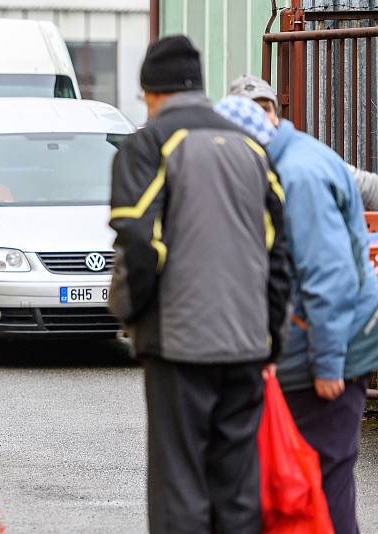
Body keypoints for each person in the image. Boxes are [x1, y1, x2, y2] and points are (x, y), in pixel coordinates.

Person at [109, 36, 290, 533]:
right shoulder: (251, 149)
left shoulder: (149, 144)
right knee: (236, 490)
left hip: (179, 345)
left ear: (150, 91)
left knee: (180, 489)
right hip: (247, 344)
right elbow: (279, 254)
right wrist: (270, 336)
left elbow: (140, 244)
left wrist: (133, 316)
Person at [216, 91, 378, 534]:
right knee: (321, 473)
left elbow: (328, 277)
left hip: (327, 351)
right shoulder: (294, 157)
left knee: (323, 477)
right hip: (323, 343)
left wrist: (328, 365)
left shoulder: (295, 177)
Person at [229, 74, 378, 211]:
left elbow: (368, 187)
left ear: (276, 115)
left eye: (265, 109)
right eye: (251, 110)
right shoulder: (225, 164)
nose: (258, 117)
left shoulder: (311, 155)